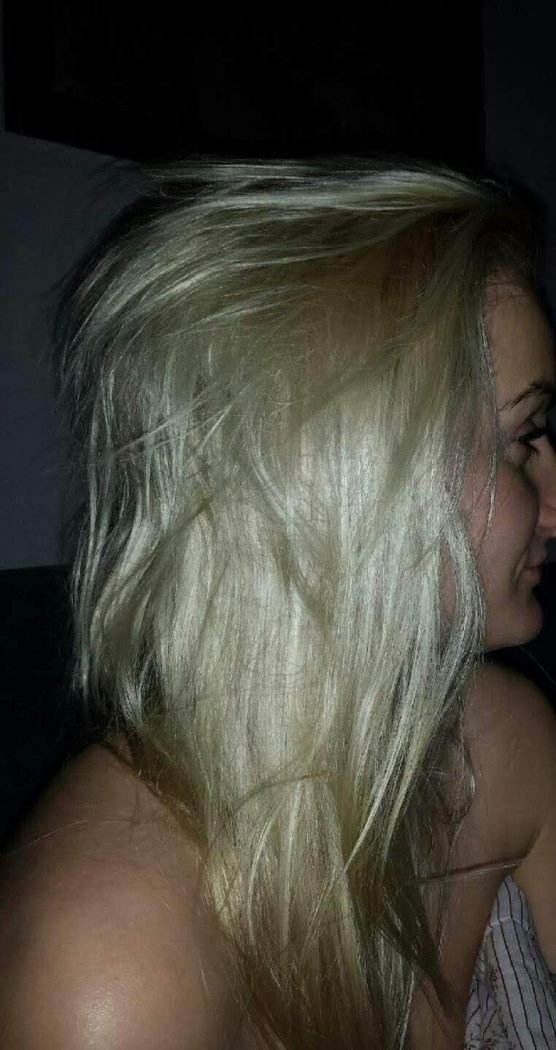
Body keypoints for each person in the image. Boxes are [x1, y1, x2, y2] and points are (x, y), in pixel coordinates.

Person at [1, 156, 556, 1049]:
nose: (553, 493)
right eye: (525, 437)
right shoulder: (105, 963)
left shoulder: (508, 743)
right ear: (354, 478)